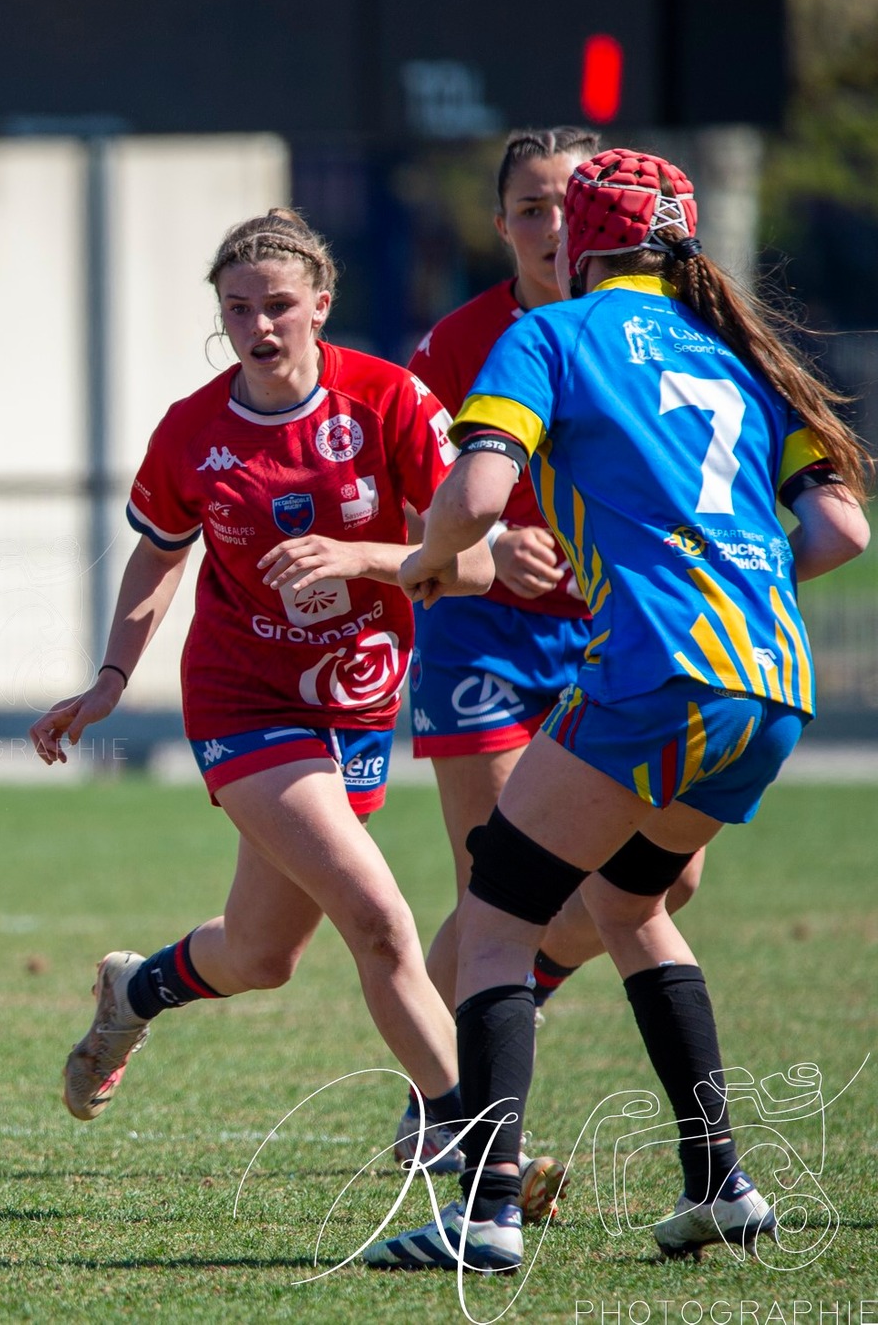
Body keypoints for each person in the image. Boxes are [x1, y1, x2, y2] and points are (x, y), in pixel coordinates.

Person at [368, 148, 868, 1272]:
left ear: (577, 242)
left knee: (495, 919)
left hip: (652, 667)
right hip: (773, 679)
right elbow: (840, 533)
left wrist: (429, 555)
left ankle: (486, 1208)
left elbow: (478, 496)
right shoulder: (738, 356)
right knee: (629, 905)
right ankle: (717, 1184)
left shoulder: (549, 334)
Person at [30, 210, 496, 1176]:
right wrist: (109, 680)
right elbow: (156, 561)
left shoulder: (388, 400)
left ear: (322, 306)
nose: (261, 326)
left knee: (261, 955)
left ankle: (137, 992)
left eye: (281, 305)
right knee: (380, 919)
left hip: (359, 700)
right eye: (239, 309)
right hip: (243, 701)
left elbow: (478, 566)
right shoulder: (193, 432)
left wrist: (363, 556)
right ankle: (475, 1135)